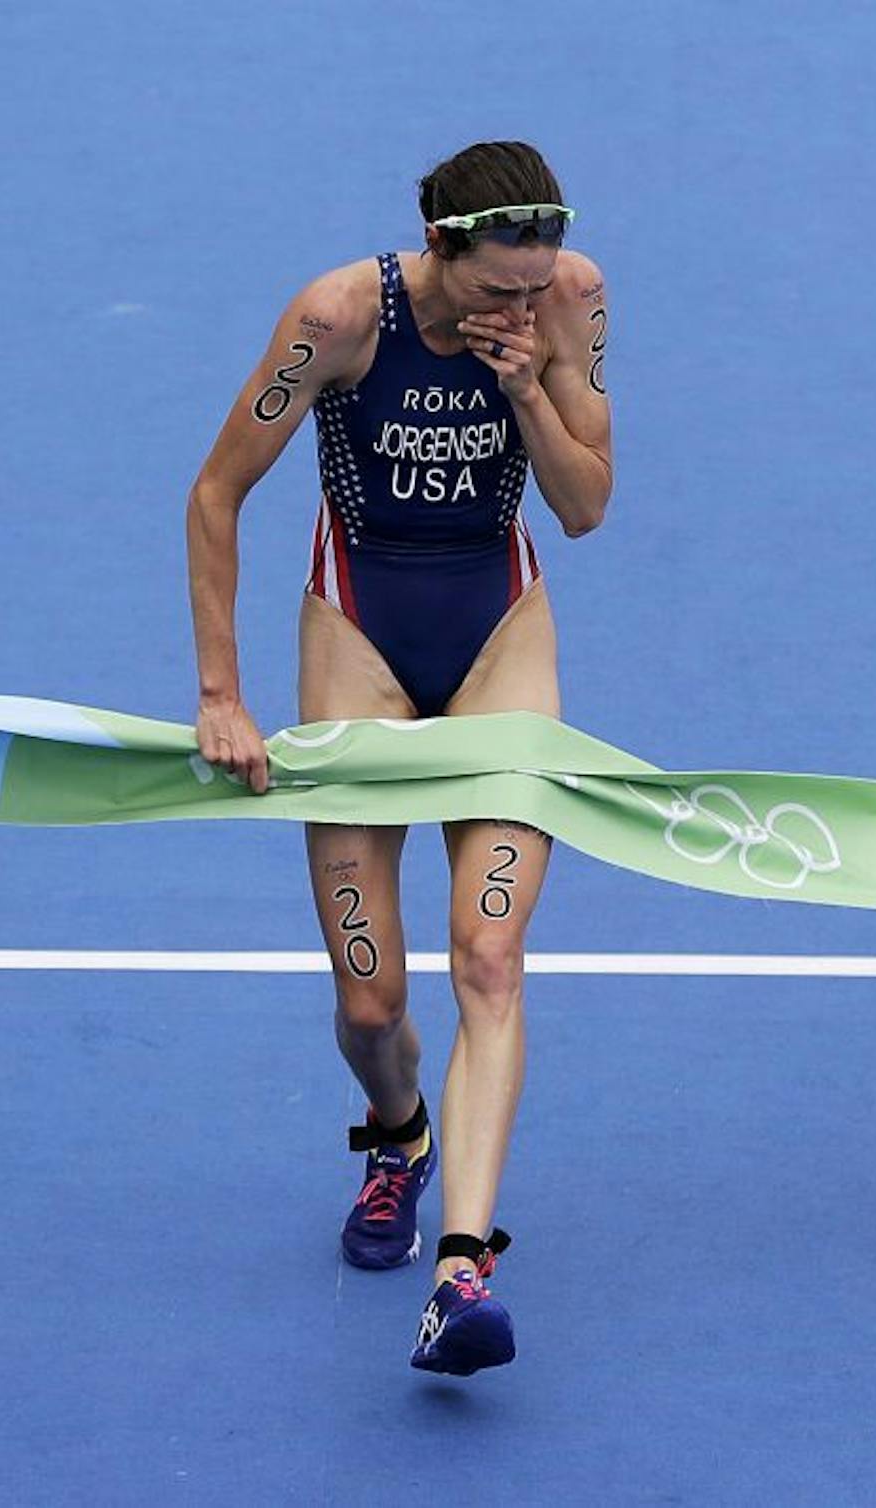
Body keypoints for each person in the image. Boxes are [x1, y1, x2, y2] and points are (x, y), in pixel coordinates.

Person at [184, 140, 611, 1375]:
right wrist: (223, 692)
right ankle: (397, 1136)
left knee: (489, 954)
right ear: (439, 251)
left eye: (532, 291)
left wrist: (533, 384)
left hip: (500, 642)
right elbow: (217, 492)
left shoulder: (569, 301)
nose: (516, 308)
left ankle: (464, 1265)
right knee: (371, 1002)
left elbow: (585, 506)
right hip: (359, 642)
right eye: (495, 293)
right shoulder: (338, 319)